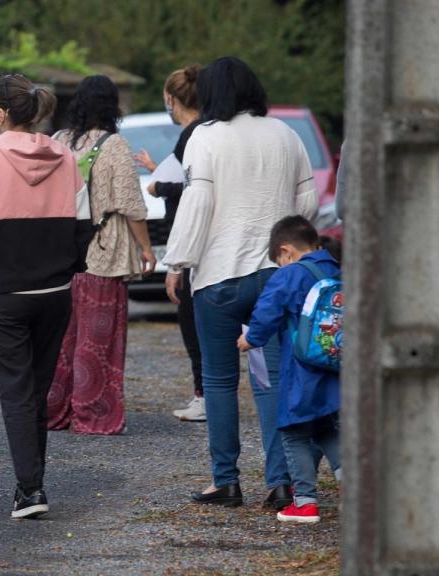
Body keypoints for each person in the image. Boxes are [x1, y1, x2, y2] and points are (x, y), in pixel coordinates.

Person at [162, 57, 318, 510]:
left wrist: (179, 263)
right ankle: (282, 482)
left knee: (219, 380)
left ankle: (225, 481)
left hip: (217, 276)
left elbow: (197, 204)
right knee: (274, 381)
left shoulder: (205, 138)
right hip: (276, 276)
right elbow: (304, 205)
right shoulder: (286, 135)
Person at [0, 73, 92, 519]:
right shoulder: (65, 154)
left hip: (6, 290)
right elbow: (83, 224)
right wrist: (69, 265)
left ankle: (30, 488)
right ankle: (32, 484)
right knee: (36, 390)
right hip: (56, 290)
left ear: (0, 112)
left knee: (17, 392)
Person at [48, 75, 154, 435]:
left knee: (62, 338)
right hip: (102, 253)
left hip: (62, 253)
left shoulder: (58, 142)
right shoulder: (114, 145)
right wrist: (145, 248)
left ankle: (54, 411)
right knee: (97, 341)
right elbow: (130, 204)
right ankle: (92, 414)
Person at [238, 216, 341, 523]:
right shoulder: (336, 269)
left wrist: (250, 339)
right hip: (334, 366)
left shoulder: (290, 275)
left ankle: (305, 502)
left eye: (279, 261)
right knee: (326, 429)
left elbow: (267, 311)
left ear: (286, 251)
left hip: (301, 370)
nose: (280, 266)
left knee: (294, 433)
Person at [138, 65, 207, 423]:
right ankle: (205, 392)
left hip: (192, 243)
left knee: (191, 320)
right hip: (204, 241)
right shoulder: (202, 131)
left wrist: (158, 187)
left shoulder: (194, 135)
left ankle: (203, 394)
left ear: (171, 98)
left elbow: (192, 188)